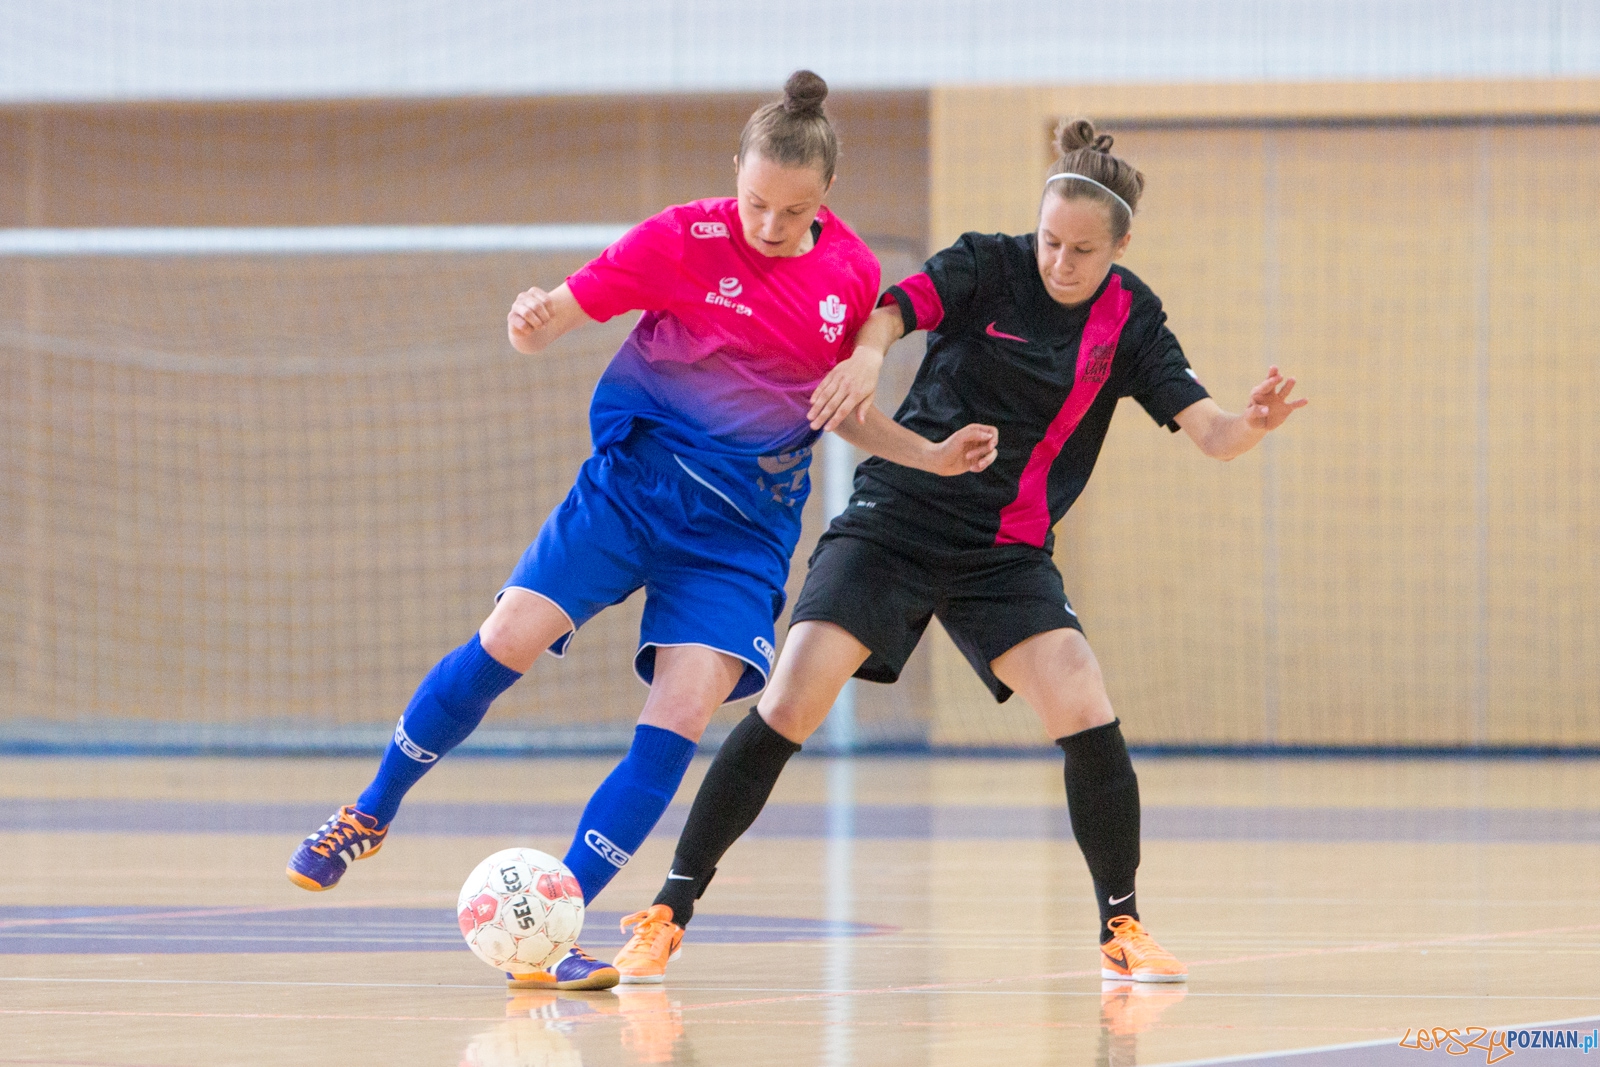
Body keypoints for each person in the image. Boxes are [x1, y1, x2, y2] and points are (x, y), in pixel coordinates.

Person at [284, 71, 999, 992]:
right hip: (630, 490)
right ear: (732, 174)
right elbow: (555, 321)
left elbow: (838, 413)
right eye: (755, 202)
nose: (770, 225)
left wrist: (928, 455)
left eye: (793, 210)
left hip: (739, 534)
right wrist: (530, 322)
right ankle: (370, 809)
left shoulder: (850, 275)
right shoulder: (681, 238)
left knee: (682, 712)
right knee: (508, 636)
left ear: (825, 201)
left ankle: (555, 922)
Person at [612, 118, 1307, 985]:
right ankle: (668, 910)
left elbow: (1210, 433)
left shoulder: (1132, 318)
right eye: (1052, 240)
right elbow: (896, 309)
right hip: (895, 520)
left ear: (1120, 246)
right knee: (790, 699)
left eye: (1083, 251)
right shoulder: (989, 262)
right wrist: (868, 359)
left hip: (1005, 550)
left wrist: (1251, 425)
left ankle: (1122, 928)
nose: (1061, 261)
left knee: (1083, 699)